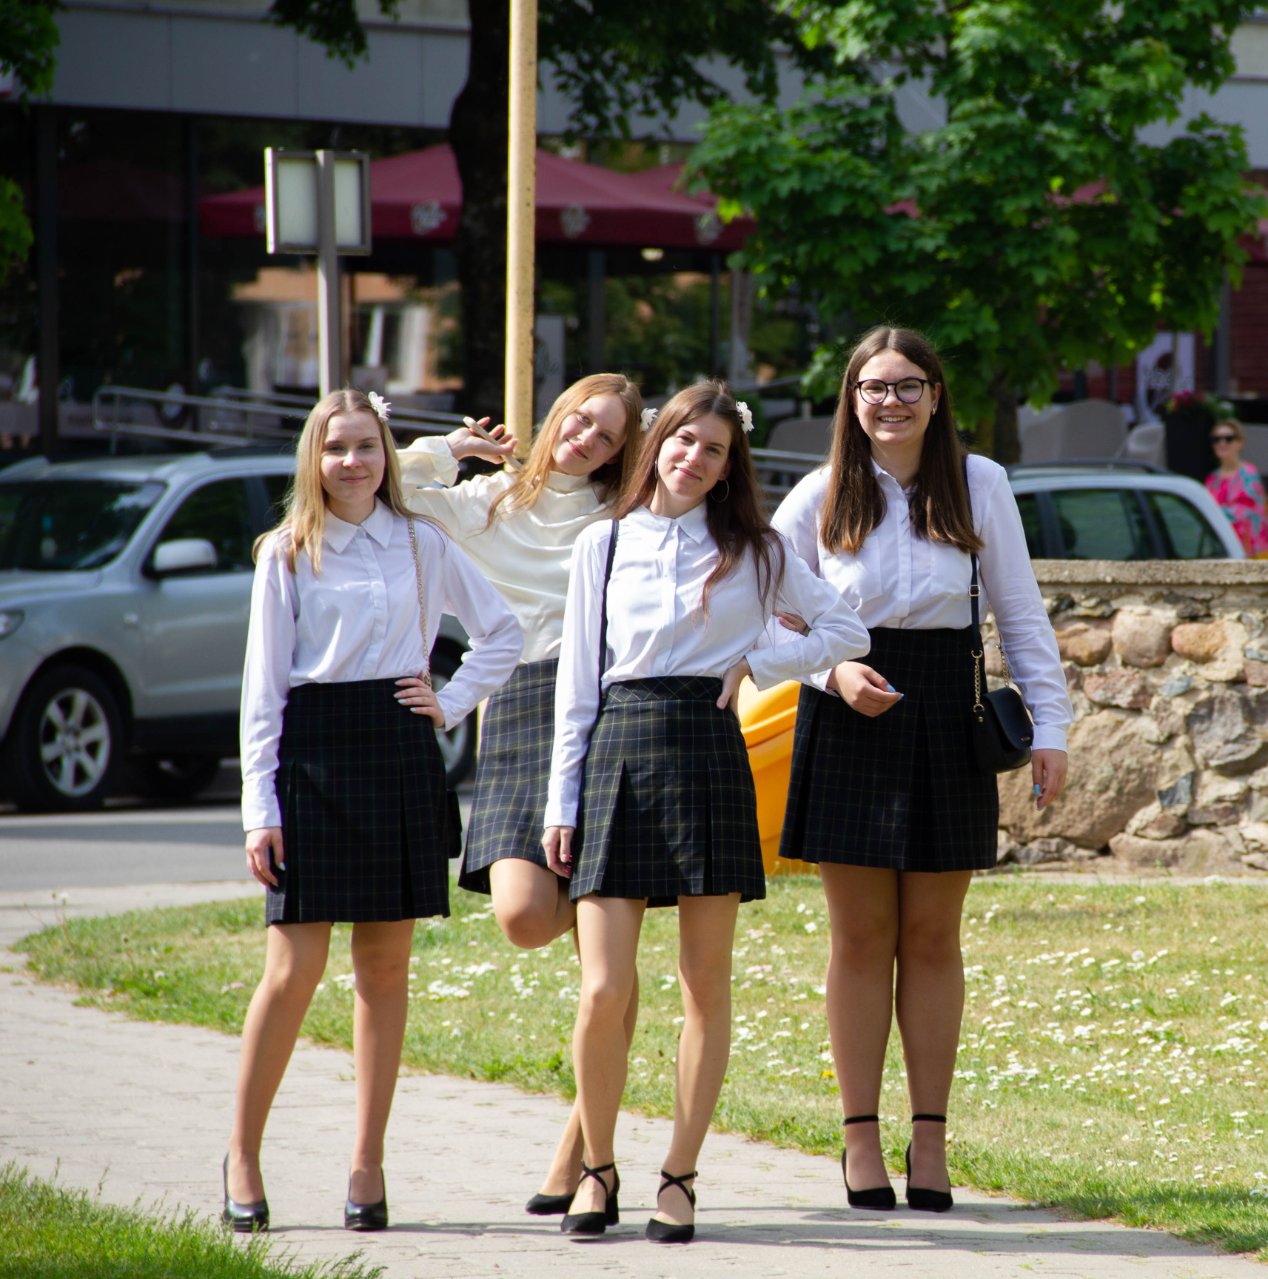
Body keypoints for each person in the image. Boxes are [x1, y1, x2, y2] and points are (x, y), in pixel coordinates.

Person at [543, 381, 870, 1243]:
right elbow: (577, 688)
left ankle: (680, 1175)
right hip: (617, 750)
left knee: (704, 983)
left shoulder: (758, 550)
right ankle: (596, 1169)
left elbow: (847, 630)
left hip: (708, 753)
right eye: (684, 439)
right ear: (658, 443)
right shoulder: (604, 542)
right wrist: (561, 802)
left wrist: (760, 660)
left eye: (714, 449)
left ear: (730, 467)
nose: (694, 458)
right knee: (602, 987)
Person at [773, 326, 1071, 1214]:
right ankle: (860, 1138)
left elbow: (1020, 612)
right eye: (874, 387)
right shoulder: (819, 492)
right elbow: (764, 616)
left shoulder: (981, 483)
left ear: (937, 396)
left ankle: (930, 1138)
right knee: (861, 937)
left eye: (909, 385)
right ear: (852, 399)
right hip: (849, 705)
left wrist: (1051, 726)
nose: (891, 401)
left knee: (935, 937)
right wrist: (830, 672)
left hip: (947, 704)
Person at [224, 388, 521, 1233]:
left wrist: (450, 702)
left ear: (387, 455)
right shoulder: (288, 552)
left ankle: (367, 1162)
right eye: (335, 447)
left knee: (385, 971)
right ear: (313, 460)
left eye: (365, 445)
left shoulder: (423, 542)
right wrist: (258, 807)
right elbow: (262, 692)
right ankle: (242, 1153)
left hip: (397, 744)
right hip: (312, 755)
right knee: (292, 970)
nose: (351, 462)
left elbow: (502, 631)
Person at [393, 373, 643, 1215]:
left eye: (607, 435)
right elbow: (378, 486)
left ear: (620, 452)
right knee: (525, 916)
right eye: (581, 419)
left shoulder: (624, 514)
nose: (586, 438)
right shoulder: (488, 501)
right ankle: (613, 919)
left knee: (603, 962)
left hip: (604, 706)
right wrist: (451, 449)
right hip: (520, 705)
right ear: (558, 413)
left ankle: (583, 1152)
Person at [1205, 419, 1268, 557]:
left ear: (1240, 443)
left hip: (1249, 552)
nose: (1222, 443)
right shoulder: (1212, 479)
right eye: (1216, 439)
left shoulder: (1248, 474)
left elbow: (1246, 510)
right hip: (1220, 548)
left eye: (1228, 438)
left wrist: (1213, 516)